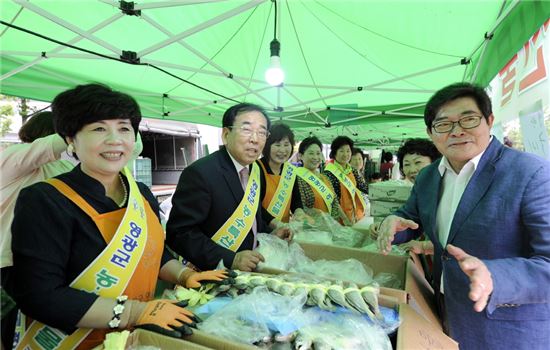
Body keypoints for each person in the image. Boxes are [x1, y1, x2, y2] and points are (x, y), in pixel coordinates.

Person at [10, 84, 231, 349]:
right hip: (76, 342)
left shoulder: (140, 193)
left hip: (138, 339)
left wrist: (184, 276)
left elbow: (153, 253)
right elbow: (39, 296)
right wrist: (135, 312)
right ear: (70, 139)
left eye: (124, 128)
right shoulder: (45, 199)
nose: (115, 139)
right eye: (99, 129)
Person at [376, 82, 550, 349]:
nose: (457, 131)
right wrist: (394, 223)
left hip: (506, 328)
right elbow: (411, 218)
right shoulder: (428, 176)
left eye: (468, 119)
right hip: (446, 311)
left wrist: (495, 275)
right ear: (431, 133)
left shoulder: (531, 173)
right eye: (444, 124)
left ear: (489, 121)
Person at [166, 103, 292, 273]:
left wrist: (271, 234)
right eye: (247, 130)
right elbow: (180, 234)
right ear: (226, 135)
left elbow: (252, 217)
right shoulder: (200, 173)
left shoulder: (255, 170)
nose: (255, 139)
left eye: (262, 132)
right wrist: (230, 259)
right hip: (212, 275)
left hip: (250, 272)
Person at [258, 123, 301, 226]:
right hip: (261, 232)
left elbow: (296, 201)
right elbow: (254, 206)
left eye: (286, 145)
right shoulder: (256, 168)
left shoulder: (290, 171)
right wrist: (274, 222)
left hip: (284, 232)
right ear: (267, 146)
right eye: (277, 145)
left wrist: (299, 212)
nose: (282, 150)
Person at [323, 136, 368, 225]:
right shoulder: (329, 172)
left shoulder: (352, 170)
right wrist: (344, 219)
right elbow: (332, 199)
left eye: (348, 151)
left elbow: (364, 187)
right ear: (335, 153)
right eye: (341, 151)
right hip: (338, 219)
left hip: (353, 215)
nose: (345, 154)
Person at [294, 136, 339, 219]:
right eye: (311, 153)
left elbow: (334, 201)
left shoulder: (325, 177)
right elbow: (300, 207)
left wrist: (334, 220)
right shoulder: (297, 178)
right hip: (311, 228)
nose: (315, 157)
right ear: (300, 156)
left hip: (330, 227)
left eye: (318, 153)